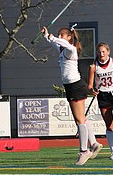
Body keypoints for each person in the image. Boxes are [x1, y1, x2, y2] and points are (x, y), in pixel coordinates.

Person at [42, 25, 103, 165]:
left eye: (61, 35)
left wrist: (54, 38)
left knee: (79, 120)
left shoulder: (71, 50)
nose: (59, 37)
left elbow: (66, 45)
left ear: (69, 37)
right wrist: (47, 36)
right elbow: (55, 44)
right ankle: (93, 143)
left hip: (75, 86)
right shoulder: (63, 50)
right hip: (71, 86)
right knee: (82, 118)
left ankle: (84, 151)